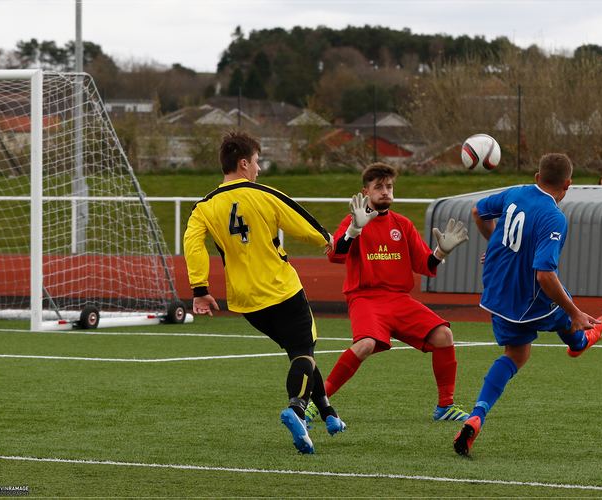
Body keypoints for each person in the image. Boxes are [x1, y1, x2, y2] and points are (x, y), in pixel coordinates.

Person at [183, 130, 345, 455]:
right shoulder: (264, 194)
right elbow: (303, 223)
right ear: (244, 163)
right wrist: (329, 238)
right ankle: (297, 410)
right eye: (257, 162)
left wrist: (200, 289)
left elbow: (193, 245)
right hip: (282, 289)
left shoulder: (204, 207)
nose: (258, 169)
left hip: (247, 302)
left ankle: (328, 413)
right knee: (303, 351)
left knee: (299, 352)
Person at [453, 153, 602, 456]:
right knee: (560, 305)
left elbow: (477, 212)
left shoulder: (516, 192)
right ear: (568, 184)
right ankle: (580, 338)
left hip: (496, 292)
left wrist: (495, 244)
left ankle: (477, 415)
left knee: (515, 354)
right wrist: (575, 312)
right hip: (526, 299)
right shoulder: (554, 217)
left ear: (537, 177)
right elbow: (544, 276)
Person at [305, 162, 472, 425]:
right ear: (366, 191)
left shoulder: (402, 225)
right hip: (365, 298)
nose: (385, 191)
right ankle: (319, 400)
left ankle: (445, 406)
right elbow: (336, 255)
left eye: (389, 186)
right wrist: (354, 230)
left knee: (444, 335)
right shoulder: (353, 221)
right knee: (365, 344)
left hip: (399, 300)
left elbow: (425, 265)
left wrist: (441, 252)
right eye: (379, 187)